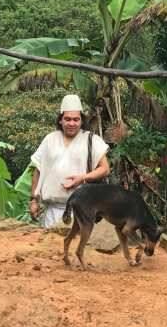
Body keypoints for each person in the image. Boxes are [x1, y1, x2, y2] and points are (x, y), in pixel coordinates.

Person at [29, 94, 110, 228]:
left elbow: (105, 169)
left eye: (76, 119)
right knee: (49, 242)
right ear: (60, 120)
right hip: (51, 212)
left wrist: (82, 178)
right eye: (67, 119)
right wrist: (34, 200)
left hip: (81, 211)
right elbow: (38, 170)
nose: (71, 123)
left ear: (81, 121)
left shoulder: (92, 140)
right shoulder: (50, 139)